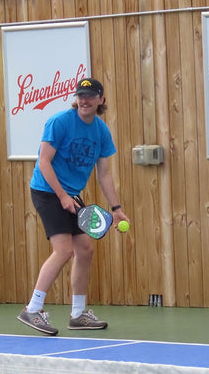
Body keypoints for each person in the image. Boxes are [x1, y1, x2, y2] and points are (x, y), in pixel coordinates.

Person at [17, 77, 130, 336]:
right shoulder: (60, 122)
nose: (85, 100)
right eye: (81, 95)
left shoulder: (101, 131)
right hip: (47, 191)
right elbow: (44, 163)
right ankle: (32, 309)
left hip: (70, 194)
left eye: (90, 96)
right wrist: (63, 196)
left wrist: (116, 208)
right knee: (64, 250)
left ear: (101, 100)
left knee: (85, 249)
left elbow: (104, 174)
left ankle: (78, 314)